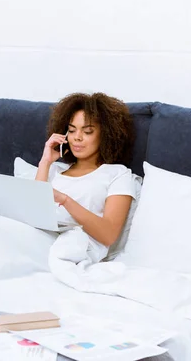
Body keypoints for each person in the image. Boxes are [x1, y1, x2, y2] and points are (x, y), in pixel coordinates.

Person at [35, 92, 139, 260]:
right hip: (39, 237)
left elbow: (109, 234)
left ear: (105, 134)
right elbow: (34, 212)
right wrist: (45, 161)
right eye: (71, 130)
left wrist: (65, 200)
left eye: (88, 131)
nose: (77, 137)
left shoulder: (118, 174)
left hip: (75, 247)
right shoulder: (54, 170)